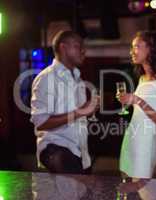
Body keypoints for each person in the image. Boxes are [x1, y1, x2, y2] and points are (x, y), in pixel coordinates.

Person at [30, 30, 100, 174]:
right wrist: (80, 111)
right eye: (78, 46)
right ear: (63, 48)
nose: (83, 51)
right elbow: (41, 122)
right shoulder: (47, 78)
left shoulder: (78, 79)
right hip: (56, 148)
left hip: (79, 152)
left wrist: (88, 110)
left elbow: (78, 115)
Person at [119, 31, 156, 179]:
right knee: (126, 186)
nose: (132, 51)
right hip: (130, 137)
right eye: (132, 47)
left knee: (144, 192)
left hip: (145, 144)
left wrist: (138, 101)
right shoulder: (142, 78)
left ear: (151, 49)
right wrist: (129, 102)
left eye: (137, 46)